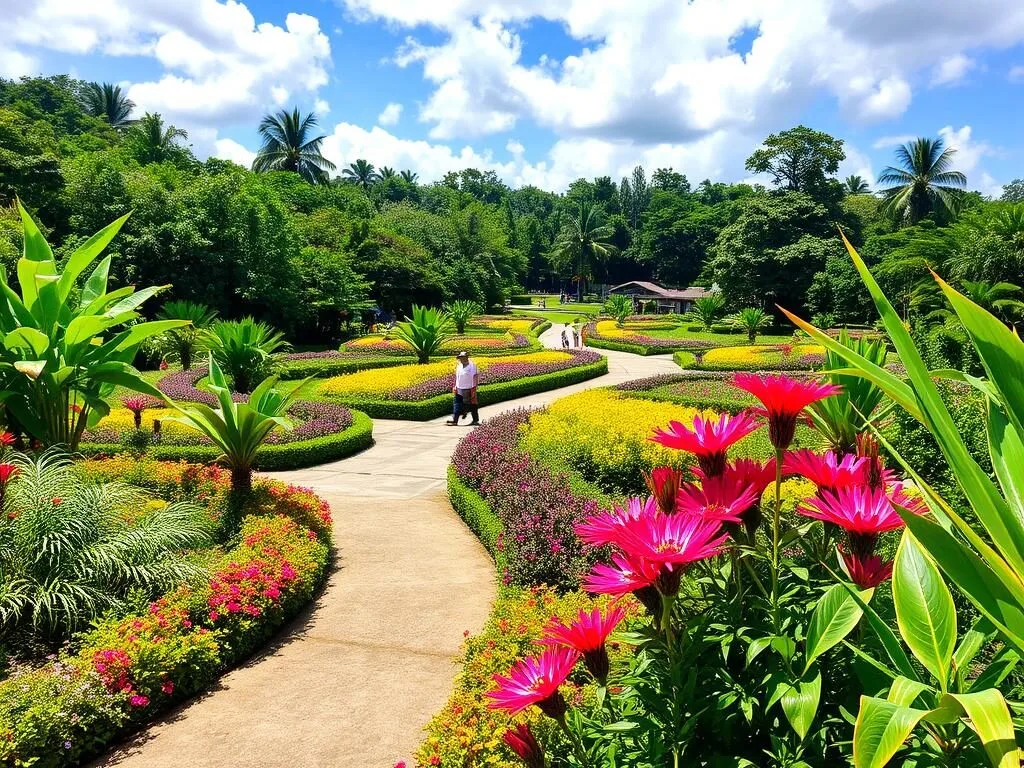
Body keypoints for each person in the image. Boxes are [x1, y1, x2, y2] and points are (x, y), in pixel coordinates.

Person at [447, 351, 480, 426]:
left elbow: (476, 376)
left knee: (472, 405)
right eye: (460, 358)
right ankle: (455, 420)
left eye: (462, 358)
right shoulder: (459, 366)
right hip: (459, 388)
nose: (461, 359)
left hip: (469, 388)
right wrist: (455, 386)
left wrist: (474, 387)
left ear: (466, 357)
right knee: (457, 404)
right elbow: (457, 377)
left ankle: (475, 420)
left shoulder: (472, 366)